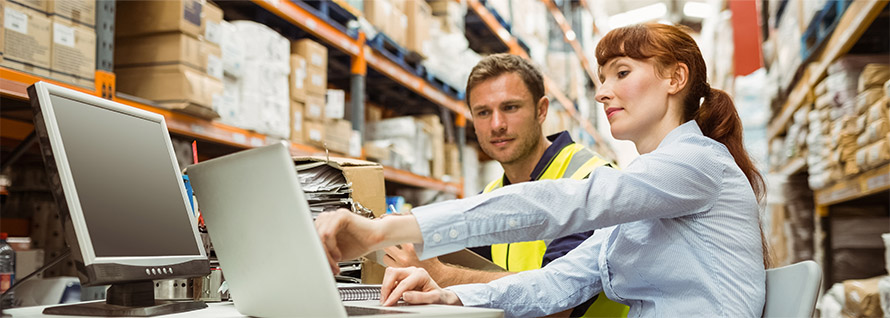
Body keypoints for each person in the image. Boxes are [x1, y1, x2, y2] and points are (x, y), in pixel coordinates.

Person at [315, 23, 770, 317]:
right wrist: (449, 295)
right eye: (601, 77)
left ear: (675, 78)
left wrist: (386, 231)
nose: (602, 92)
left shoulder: (696, 163)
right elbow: (557, 283)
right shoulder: (646, 192)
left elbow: (563, 201)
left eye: (621, 72)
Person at [381, 53, 626, 317]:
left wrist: (440, 275)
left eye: (510, 107)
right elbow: (461, 260)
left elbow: (560, 304)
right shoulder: (492, 194)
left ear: (541, 110)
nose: (497, 124)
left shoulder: (590, 180)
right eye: (483, 112)